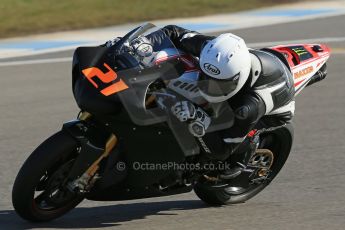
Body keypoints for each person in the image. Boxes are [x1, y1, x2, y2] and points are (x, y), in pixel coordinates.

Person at [124, 25, 296, 179]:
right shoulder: (213, 51)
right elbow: (173, 32)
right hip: (257, 65)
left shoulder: (248, 106)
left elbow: (221, 150)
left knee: (221, 159)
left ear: (238, 77)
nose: (210, 87)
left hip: (270, 107)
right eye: (207, 77)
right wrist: (145, 43)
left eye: (220, 84)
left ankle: (240, 160)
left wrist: (196, 118)